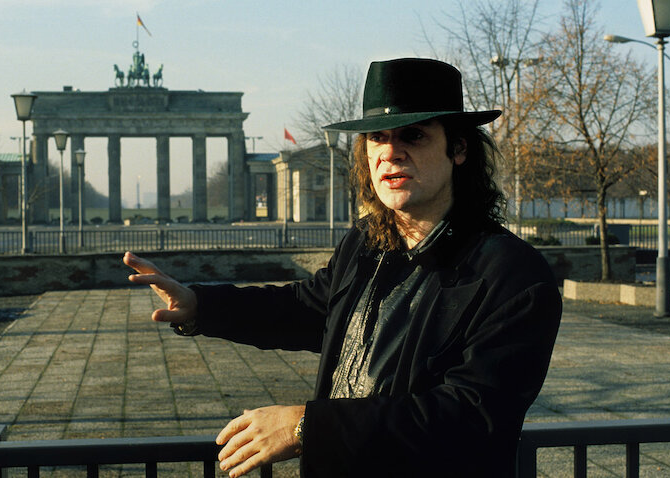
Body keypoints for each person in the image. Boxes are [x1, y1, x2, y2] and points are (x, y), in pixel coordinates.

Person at [123, 57, 562, 477]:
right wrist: (201, 305)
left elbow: (471, 415)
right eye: (377, 137)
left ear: (459, 148)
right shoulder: (366, 243)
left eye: (413, 136)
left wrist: (307, 426)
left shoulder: (513, 276)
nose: (390, 153)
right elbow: (309, 309)